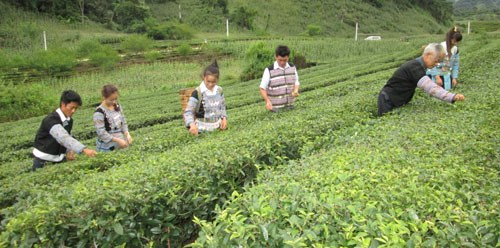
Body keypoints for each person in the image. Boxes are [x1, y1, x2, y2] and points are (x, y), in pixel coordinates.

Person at [377, 43, 465, 116]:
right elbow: (430, 87)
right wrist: (452, 97)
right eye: (436, 60)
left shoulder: (419, 66)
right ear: (428, 55)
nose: (437, 64)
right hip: (388, 100)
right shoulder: (414, 67)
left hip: (398, 100)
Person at [32, 90, 96, 171]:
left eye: (76, 108)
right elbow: (63, 137)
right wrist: (84, 149)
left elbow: (68, 135)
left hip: (59, 158)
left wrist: (69, 150)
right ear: (63, 104)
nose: (73, 111)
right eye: (72, 107)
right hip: (43, 160)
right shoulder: (51, 120)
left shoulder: (69, 120)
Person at [183, 60, 227, 136]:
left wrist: (224, 119)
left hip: (218, 129)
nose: (210, 84)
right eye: (208, 81)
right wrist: (192, 124)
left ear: (217, 80)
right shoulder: (198, 92)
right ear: (204, 77)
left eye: (213, 82)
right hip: (201, 131)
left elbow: (222, 107)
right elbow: (188, 112)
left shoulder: (219, 90)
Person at [259, 45, 300, 112]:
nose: (282, 62)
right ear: (275, 56)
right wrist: (267, 101)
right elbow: (262, 88)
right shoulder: (269, 70)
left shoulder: (292, 67)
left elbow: (296, 82)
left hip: (290, 106)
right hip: (275, 108)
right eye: (280, 60)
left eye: (285, 60)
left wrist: (296, 90)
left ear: (288, 57)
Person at [93, 84, 133, 152]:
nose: (114, 102)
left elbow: (123, 122)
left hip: (121, 144)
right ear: (104, 97)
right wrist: (118, 140)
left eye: (116, 99)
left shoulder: (117, 106)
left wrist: (127, 134)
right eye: (111, 100)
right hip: (107, 147)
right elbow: (101, 133)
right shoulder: (99, 113)